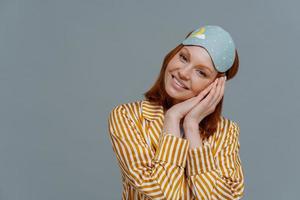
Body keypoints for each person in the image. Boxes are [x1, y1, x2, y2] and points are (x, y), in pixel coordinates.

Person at [108, 25, 245, 200]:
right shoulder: (128, 116)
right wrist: (172, 118)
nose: (183, 73)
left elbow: (225, 197)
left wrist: (191, 126)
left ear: (215, 86)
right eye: (183, 57)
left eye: (201, 72)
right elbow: (161, 192)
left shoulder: (226, 132)